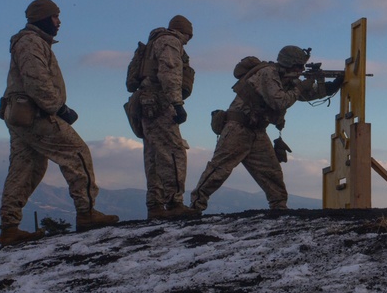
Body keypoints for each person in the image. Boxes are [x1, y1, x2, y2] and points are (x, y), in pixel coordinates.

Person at [0, 0, 118, 245]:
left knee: (26, 167)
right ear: (43, 18)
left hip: (22, 116)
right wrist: (59, 108)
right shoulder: (31, 43)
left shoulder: (31, 42)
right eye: (55, 17)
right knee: (77, 153)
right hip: (36, 115)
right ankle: (87, 213)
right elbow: (36, 80)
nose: (59, 22)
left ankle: (10, 227)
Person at [189, 46, 342, 211]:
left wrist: (330, 86)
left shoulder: (284, 79)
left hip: (257, 131)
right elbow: (280, 101)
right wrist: (300, 87)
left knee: (271, 173)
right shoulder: (268, 73)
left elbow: (307, 95)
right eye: (298, 67)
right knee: (219, 170)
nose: (300, 70)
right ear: (289, 64)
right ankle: (195, 206)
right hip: (238, 128)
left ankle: (279, 207)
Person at [135, 15, 198, 220]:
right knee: (173, 151)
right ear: (185, 32)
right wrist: (177, 104)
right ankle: (174, 203)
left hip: (146, 103)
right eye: (188, 37)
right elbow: (169, 73)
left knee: (154, 154)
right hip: (161, 102)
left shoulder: (154, 42)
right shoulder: (170, 41)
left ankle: (155, 205)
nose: (188, 42)